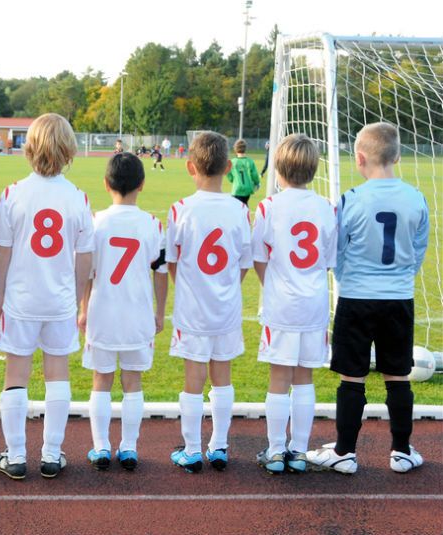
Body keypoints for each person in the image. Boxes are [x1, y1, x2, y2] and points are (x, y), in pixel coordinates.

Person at [307, 122, 429, 474]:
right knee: (398, 376)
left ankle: (345, 452)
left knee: (352, 377)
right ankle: (402, 450)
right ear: (398, 156)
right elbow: (417, 251)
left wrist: (350, 281)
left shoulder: (351, 200)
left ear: (360, 158)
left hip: (357, 298)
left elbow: (338, 252)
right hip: (398, 298)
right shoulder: (416, 198)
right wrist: (398, 280)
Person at [0, 113, 94, 480]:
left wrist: (1, 298)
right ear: (69, 150)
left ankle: (16, 455)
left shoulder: (13, 194)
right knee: (57, 374)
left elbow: (2, 252)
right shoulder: (78, 198)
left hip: (21, 298)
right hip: (59, 299)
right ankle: (51, 454)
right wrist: (78, 296)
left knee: (16, 374)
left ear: (29, 148)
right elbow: (85, 258)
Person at [166, 131, 252, 473]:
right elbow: (244, 263)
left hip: (192, 309)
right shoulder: (240, 210)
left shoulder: (180, 209)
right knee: (223, 377)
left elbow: (172, 261)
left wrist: (189, 287)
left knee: (193, 378)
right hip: (226, 308)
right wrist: (226, 286)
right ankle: (219, 447)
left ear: (190, 167)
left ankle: (192, 450)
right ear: (228, 167)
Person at [252, 134, 337, 474]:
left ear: (278, 167)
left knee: (279, 377)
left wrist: (272, 284)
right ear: (314, 168)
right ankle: (299, 451)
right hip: (314, 304)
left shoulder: (268, 206)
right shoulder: (328, 207)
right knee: (305, 378)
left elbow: (258, 257)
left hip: (281, 306)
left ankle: (275, 451)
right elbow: (328, 260)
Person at [78, 152, 168, 471]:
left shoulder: (95, 222)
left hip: (102, 313)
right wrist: (160, 313)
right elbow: (161, 272)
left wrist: (83, 309)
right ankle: (128, 448)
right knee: (133, 382)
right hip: (137, 315)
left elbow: (87, 272)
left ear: (106, 184)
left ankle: (101, 447)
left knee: (101, 380)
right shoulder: (153, 224)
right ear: (142, 184)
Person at [225, 139, 260, 205]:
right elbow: (254, 175)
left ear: (235, 149)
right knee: (245, 205)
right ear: (245, 148)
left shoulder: (233, 162)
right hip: (247, 189)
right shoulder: (250, 161)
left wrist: (232, 179)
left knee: (236, 208)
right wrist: (257, 183)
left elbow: (228, 174)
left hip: (237, 189)